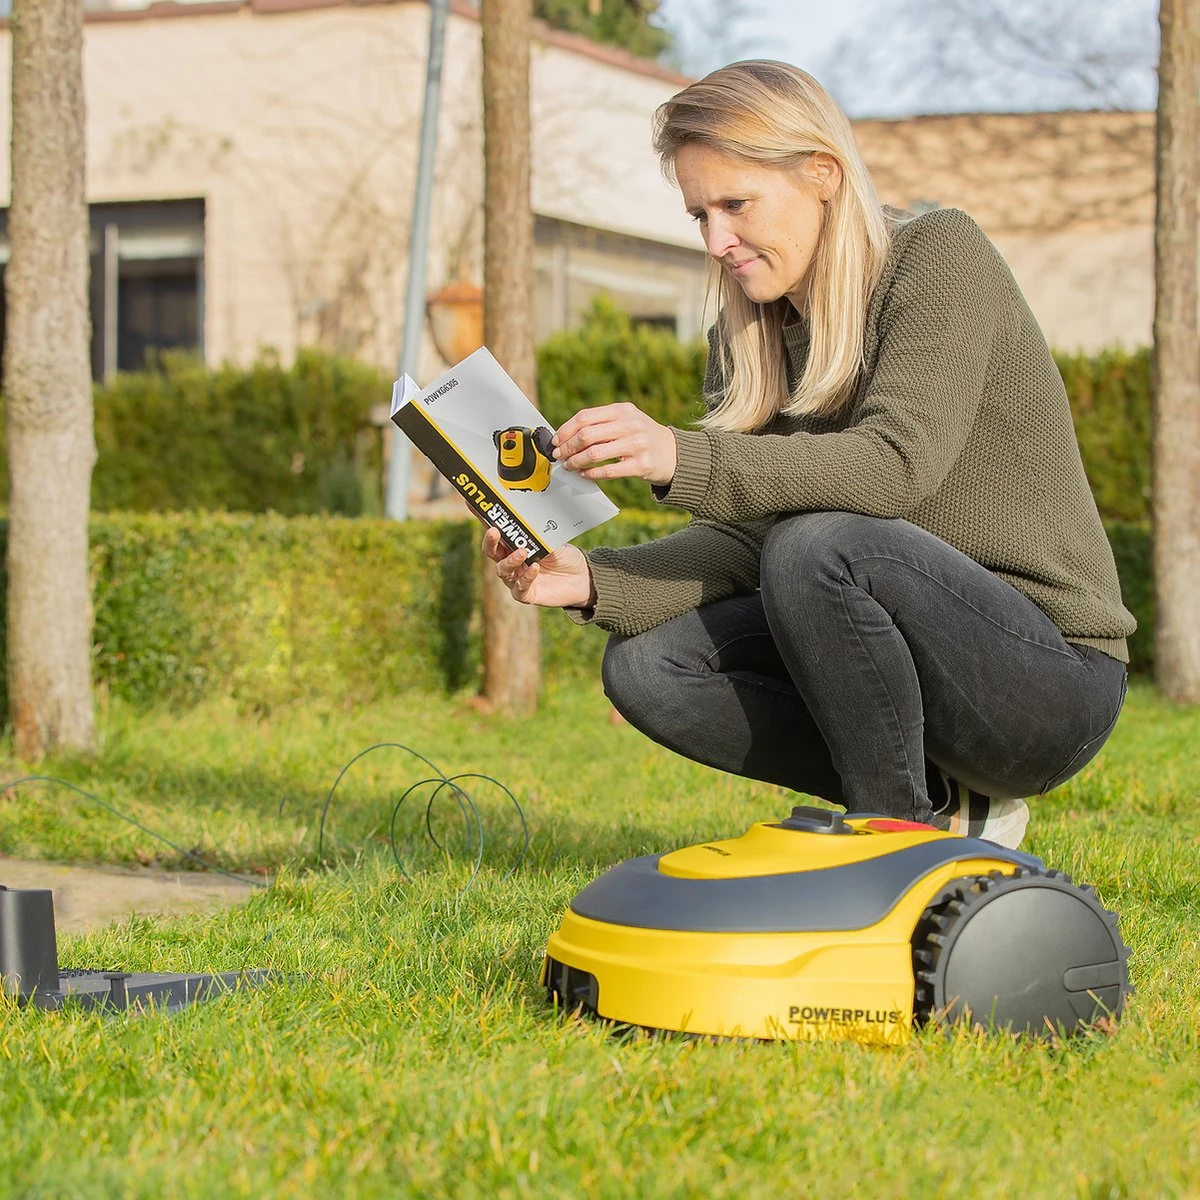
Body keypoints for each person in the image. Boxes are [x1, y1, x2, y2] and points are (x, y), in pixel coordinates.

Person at [481, 60, 1134, 850]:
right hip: (890, 638)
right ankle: (935, 810)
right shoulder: (744, 335)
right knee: (648, 666)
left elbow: (894, 465)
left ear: (822, 174)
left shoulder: (938, 256)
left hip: (1047, 679)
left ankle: (893, 845)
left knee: (815, 543)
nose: (717, 241)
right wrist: (590, 579)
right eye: (700, 215)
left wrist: (678, 456)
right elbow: (746, 540)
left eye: (736, 204)